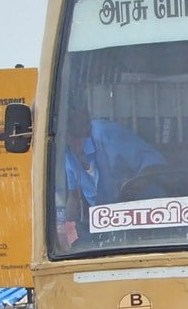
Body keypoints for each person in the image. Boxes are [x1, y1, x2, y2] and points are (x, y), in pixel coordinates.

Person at [58, 105, 167, 247]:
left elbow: (156, 164)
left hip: (151, 219)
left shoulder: (107, 134)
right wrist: (66, 233)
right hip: (110, 227)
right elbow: (73, 197)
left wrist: (131, 189)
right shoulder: (67, 153)